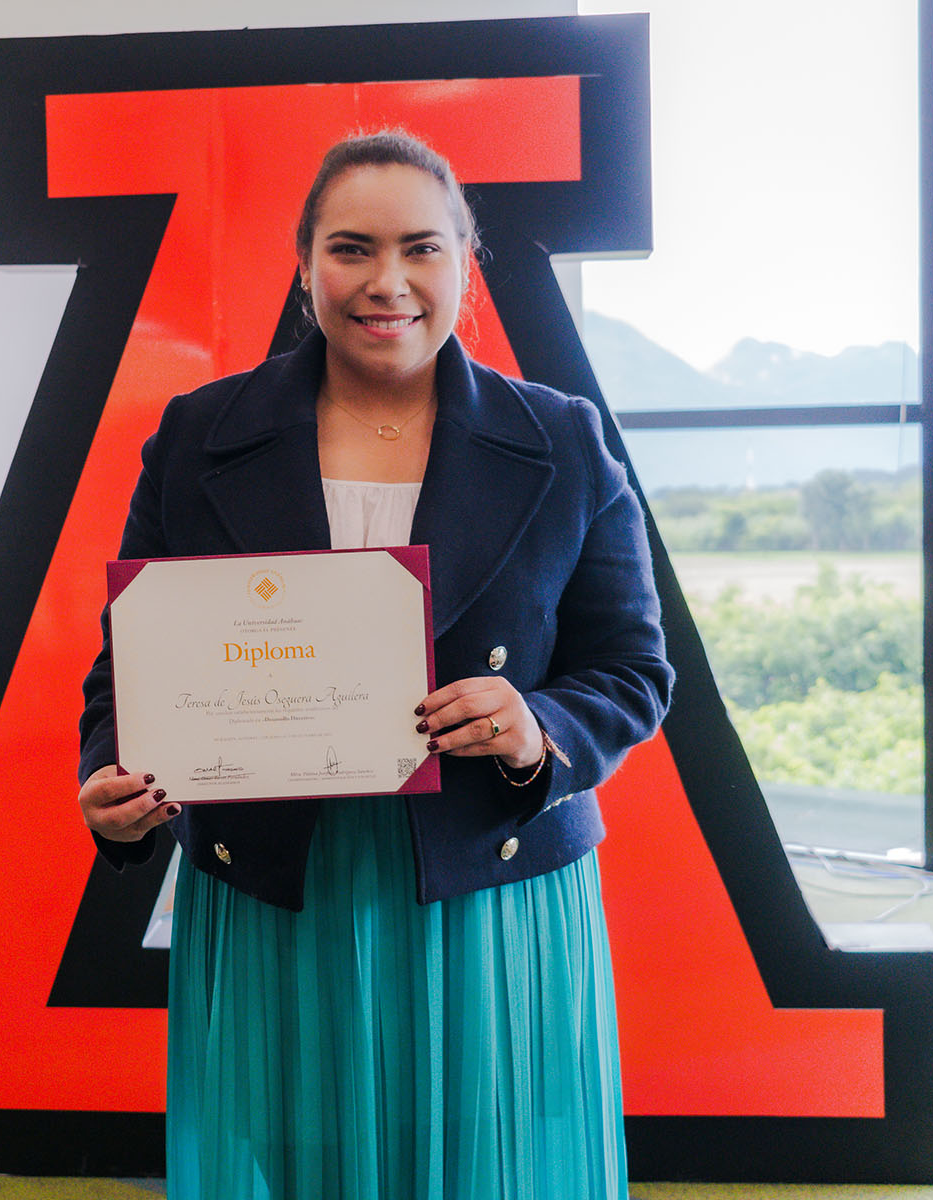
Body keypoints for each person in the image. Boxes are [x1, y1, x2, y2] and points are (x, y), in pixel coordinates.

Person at [77, 130, 673, 1200]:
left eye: (422, 249)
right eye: (351, 248)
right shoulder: (198, 434)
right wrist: (117, 786)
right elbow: (130, 667)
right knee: (297, 1159)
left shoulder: (566, 437)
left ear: (464, 263)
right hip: (279, 879)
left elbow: (631, 668)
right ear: (304, 263)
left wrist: (540, 728)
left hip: (488, 876)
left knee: (485, 1164)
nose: (386, 282)